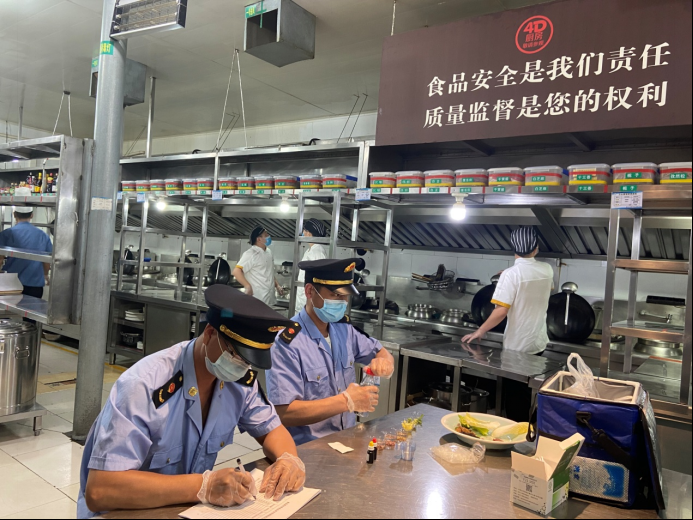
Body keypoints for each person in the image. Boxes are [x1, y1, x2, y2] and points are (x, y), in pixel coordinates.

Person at [78, 285, 306, 519]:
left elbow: (272, 430)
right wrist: (204, 486)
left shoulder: (240, 383)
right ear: (209, 334)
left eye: (249, 362)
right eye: (235, 355)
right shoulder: (144, 385)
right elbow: (101, 490)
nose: (241, 367)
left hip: (181, 509)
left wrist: (289, 459)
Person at [266, 258, 395, 445]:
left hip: (347, 439)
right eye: (335, 295)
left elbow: (380, 352)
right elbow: (283, 412)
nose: (343, 302)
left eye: (345, 296)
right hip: (309, 447)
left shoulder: (343, 329)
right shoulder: (287, 343)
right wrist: (346, 401)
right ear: (310, 291)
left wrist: (385, 363)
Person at [461, 226, 554, 420]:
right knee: (526, 393)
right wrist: (510, 275)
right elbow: (538, 284)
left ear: (513, 248)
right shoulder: (547, 269)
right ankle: (526, 429)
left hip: (518, 346)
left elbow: (501, 311)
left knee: (515, 398)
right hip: (538, 342)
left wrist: (480, 331)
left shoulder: (511, 275)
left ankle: (515, 432)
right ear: (536, 248)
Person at [0, 187, 52, 298]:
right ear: (32, 215)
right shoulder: (43, 235)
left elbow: (0, 259)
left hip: (11, 285)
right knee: (31, 309)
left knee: (8, 309)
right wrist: (45, 275)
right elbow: (46, 262)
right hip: (35, 285)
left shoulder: (6, 234)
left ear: (14, 214)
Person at [233, 226, 284, 306]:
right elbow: (236, 271)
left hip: (269, 298)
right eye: (266, 234)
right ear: (259, 239)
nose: (269, 236)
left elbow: (269, 272)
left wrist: (277, 285)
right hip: (257, 297)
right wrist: (247, 286)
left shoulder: (269, 252)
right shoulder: (251, 253)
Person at [294, 219, 328, 313]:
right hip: (303, 299)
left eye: (305, 230)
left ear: (309, 233)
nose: (303, 233)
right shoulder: (310, 250)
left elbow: (319, 279)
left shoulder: (318, 252)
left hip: (309, 301)